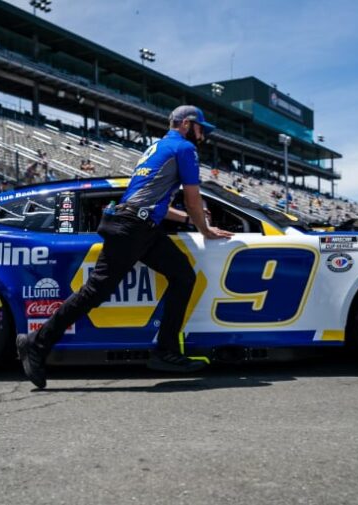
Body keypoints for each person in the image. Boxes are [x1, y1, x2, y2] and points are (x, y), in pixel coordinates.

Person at [17, 105, 234, 389]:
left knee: (183, 276)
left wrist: (184, 218)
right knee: (95, 292)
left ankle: (166, 352)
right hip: (134, 228)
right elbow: (193, 199)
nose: (203, 136)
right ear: (186, 124)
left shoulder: (156, 148)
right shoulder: (185, 149)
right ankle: (36, 342)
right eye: (201, 129)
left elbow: (147, 199)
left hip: (140, 225)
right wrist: (204, 229)